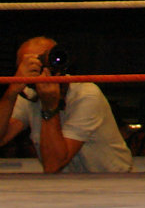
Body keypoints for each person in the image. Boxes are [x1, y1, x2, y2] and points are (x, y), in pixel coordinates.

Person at [0, 37, 132, 173]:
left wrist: (49, 107)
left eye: (49, 58)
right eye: (31, 63)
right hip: (69, 182)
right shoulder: (29, 94)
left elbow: (53, 164)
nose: (44, 66)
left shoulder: (86, 94)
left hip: (113, 180)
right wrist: (12, 91)